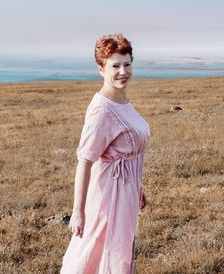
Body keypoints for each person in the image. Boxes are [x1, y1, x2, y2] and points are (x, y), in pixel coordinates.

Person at [60, 33, 150, 274]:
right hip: (108, 194)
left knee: (117, 250)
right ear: (101, 69)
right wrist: (78, 212)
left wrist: (137, 187)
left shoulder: (122, 100)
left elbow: (129, 152)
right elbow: (85, 160)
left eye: (127, 64)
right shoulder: (101, 109)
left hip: (126, 191)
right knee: (98, 251)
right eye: (115, 66)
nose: (123, 71)